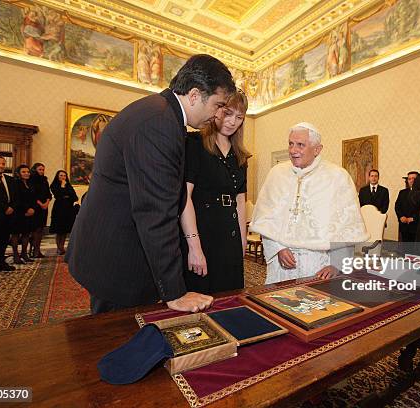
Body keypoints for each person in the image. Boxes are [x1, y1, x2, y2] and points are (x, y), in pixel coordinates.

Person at [67, 54, 235, 314]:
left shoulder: (161, 113)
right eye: (217, 105)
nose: (217, 116)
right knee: (117, 341)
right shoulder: (158, 123)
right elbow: (155, 212)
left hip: (116, 247)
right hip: (116, 257)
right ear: (194, 95)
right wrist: (174, 292)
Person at [250, 122, 368, 284]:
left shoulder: (337, 177)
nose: (293, 150)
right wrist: (278, 248)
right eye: (291, 144)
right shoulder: (276, 174)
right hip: (282, 265)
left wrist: (337, 265)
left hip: (318, 265)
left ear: (317, 149)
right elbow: (265, 219)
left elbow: (346, 226)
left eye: (300, 145)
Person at [181, 89, 251, 294]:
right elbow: (184, 199)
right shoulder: (194, 144)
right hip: (202, 234)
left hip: (229, 237)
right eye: (228, 113)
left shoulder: (241, 157)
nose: (233, 121)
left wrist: (242, 240)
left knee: (229, 298)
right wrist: (194, 247)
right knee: (199, 297)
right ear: (217, 109)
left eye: (239, 117)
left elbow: (239, 201)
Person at [10, 165, 36, 264]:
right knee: (16, 234)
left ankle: (24, 254)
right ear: (18, 173)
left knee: (26, 234)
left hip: (30, 213)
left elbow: (34, 197)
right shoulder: (16, 183)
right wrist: (26, 209)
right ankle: (16, 255)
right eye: (24, 172)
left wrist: (33, 208)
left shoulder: (30, 183)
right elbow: (17, 198)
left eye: (28, 172)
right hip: (18, 212)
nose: (27, 173)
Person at [49, 170, 78, 255]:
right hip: (59, 208)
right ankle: (59, 248)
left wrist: (66, 194)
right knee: (59, 229)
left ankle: (62, 246)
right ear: (57, 176)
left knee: (65, 229)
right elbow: (58, 195)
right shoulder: (54, 185)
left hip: (68, 209)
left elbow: (75, 197)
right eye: (61, 175)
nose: (63, 177)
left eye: (64, 176)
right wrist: (62, 186)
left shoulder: (68, 185)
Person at [29, 163, 51, 258]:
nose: (42, 171)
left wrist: (46, 202)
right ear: (35, 170)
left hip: (44, 208)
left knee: (41, 229)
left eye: (43, 169)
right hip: (36, 207)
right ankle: (33, 250)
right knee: (35, 229)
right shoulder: (31, 179)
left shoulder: (45, 180)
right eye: (40, 169)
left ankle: (37, 250)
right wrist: (41, 204)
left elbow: (48, 194)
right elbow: (33, 194)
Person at [395, 171, 420, 248]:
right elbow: (397, 206)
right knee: (405, 248)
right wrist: (401, 216)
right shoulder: (402, 192)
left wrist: (413, 218)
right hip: (404, 224)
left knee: (417, 248)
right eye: (409, 179)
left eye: (414, 178)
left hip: (417, 225)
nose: (411, 180)